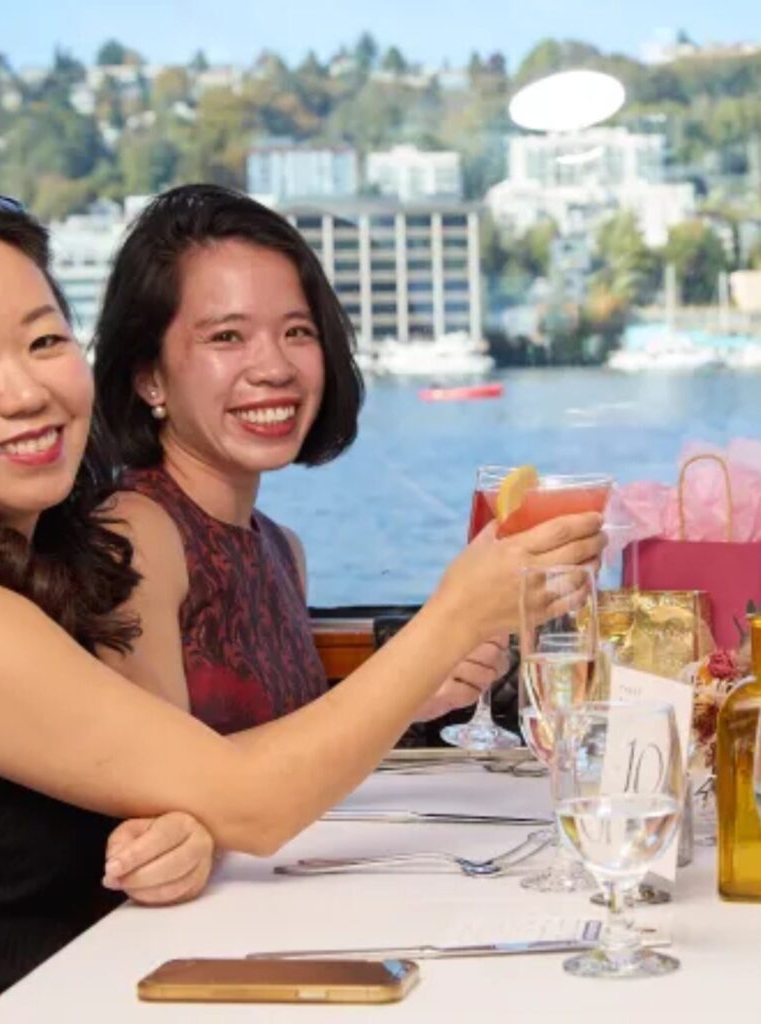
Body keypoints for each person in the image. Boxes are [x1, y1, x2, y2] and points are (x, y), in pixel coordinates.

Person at [0, 196, 603, 1014]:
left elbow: (173, 794)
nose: (26, 389)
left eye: (43, 341)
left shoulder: (35, 570)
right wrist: (456, 612)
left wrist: (180, 830)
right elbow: (244, 796)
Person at [93, 185, 521, 729]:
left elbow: (287, 749)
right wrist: (432, 639)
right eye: (227, 336)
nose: (274, 367)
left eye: (297, 331)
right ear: (148, 377)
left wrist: (417, 697)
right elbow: (173, 779)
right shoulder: (134, 537)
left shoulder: (280, 549)